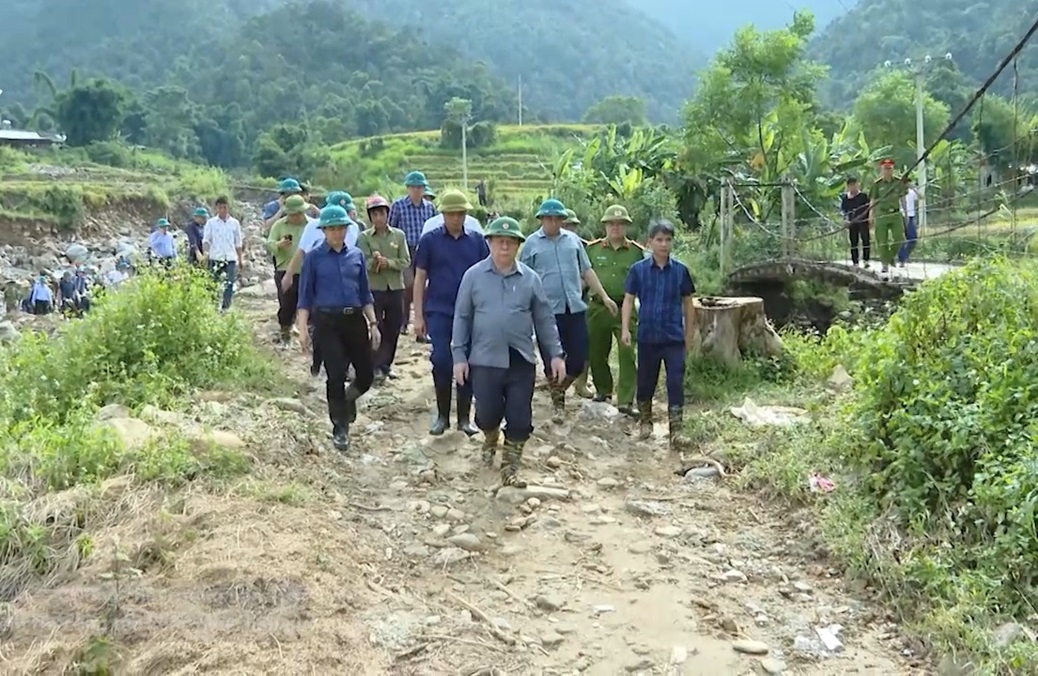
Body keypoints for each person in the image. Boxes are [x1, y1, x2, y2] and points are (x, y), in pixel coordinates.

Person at [452, 216, 566, 486]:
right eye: (499, 241)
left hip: (520, 359)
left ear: (518, 246)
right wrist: (459, 357)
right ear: (489, 243)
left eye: (511, 242)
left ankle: (510, 469)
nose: (505, 246)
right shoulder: (473, 276)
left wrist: (556, 355)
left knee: (519, 418)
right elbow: (462, 317)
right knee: (486, 415)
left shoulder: (530, 279)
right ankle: (490, 438)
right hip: (485, 358)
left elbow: (545, 319)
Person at [518, 198, 616, 424]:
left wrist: (604, 296)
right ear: (542, 219)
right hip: (547, 312)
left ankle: (558, 389)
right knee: (552, 358)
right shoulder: (531, 244)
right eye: (549, 218)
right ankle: (558, 405)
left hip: (574, 308)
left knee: (579, 359)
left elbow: (587, 270)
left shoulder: (573, 241)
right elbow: (523, 278)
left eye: (558, 219)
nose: (553, 223)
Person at [296, 205, 380, 452]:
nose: (337, 233)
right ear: (324, 231)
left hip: (354, 320)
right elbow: (305, 297)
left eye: (341, 228)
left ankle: (347, 399)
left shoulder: (355, 256)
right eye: (332, 229)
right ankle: (339, 427)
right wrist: (302, 329)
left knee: (365, 376)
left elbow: (365, 294)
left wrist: (373, 324)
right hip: (326, 322)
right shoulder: (313, 258)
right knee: (335, 373)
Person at [413, 188, 489, 436]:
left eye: (460, 213)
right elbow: (420, 278)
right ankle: (443, 416)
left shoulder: (477, 241)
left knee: (467, 361)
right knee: (442, 360)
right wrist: (418, 315)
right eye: (451, 214)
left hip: (472, 312)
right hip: (440, 310)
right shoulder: (430, 240)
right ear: (443, 214)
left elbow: (488, 275)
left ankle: (464, 419)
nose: (456, 218)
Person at [621, 219, 696, 450]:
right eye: (659, 240)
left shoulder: (681, 271)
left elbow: (688, 303)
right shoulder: (638, 270)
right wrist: (625, 328)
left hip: (674, 337)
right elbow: (629, 299)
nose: (664, 244)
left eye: (668, 240)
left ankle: (676, 430)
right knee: (645, 381)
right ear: (649, 242)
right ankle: (645, 421)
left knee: (675, 381)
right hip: (648, 336)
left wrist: (690, 334)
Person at [586, 205, 644, 416]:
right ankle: (603, 390)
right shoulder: (592, 250)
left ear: (626, 226)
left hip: (624, 308)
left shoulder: (636, 252)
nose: (616, 228)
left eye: (620, 224)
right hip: (598, 308)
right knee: (596, 351)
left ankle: (626, 400)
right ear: (605, 225)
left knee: (627, 352)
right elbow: (584, 276)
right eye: (612, 223)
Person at [356, 194, 410, 381]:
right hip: (374, 288)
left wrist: (389, 263)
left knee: (394, 327)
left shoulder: (399, 235)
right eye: (374, 214)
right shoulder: (364, 238)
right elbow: (362, 261)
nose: (378, 218)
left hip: (395, 287)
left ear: (387, 214)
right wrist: (375, 262)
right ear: (370, 217)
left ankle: (386, 365)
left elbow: (405, 261)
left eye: (381, 213)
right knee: (375, 326)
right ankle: (373, 365)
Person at [388, 171, 436, 338]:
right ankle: (404, 321)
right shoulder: (398, 206)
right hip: (405, 249)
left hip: (425, 249)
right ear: (408, 188)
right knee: (408, 287)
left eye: (420, 187)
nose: (416, 190)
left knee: (425, 288)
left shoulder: (430, 208)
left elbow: (434, 228)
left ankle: (423, 325)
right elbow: (391, 229)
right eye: (413, 187)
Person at [266, 194, 310, 342]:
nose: (296, 217)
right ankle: (285, 330)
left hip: (306, 270)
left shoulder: (311, 225)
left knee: (307, 303)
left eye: (299, 213)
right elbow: (269, 244)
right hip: (284, 270)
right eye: (293, 214)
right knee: (287, 303)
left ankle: (306, 332)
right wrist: (279, 245)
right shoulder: (279, 225)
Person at [561, 208, 593, 399]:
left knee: (583, 346)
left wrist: (576, 288)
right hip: (558, 304)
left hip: (580, 303)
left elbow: (588, 272)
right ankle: (559, 386)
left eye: (572, 225)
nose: (569, 229)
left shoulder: (582, 246)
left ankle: (581, 383)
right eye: (566, 225)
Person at [202, 196, 243, 311]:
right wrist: (205, 254)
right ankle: (212, 306)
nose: (222, 210)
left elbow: (238, 242)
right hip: (215, 257)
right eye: (220, 208)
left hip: (230, 257)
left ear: (228, 208)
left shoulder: (234, 223)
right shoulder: (211, 223)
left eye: (224, 207)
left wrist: (240, 259)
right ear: (216, 209)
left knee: (229, 283)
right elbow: (206, 240)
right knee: (212, 283)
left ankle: (225, 307)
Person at [869, 159, 908, 275]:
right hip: (882, 213)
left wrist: (905, 212)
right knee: (882, 240)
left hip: (895, 213)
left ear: (893, 169)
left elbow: (903, 198)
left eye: (889, 168)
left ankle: (890, 256)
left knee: (899, 238)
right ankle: (884, 264)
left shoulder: (898, 182)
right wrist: (871, 215)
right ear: (881, 169)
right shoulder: (877, 184)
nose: (887, 171)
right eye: (885, 168)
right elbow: (873, 200)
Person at [840, 177, 871, 268]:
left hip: (863, 221)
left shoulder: (863, 196)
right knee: (854, 241)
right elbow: (843, 210)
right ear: (848, 187)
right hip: (852, 222)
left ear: (857, 185)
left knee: (865, 240)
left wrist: (869, 219)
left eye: (854, 185)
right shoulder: (846, 198)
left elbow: (869, 208)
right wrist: (845, 219)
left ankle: (866, 260)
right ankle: (855, 261)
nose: (853, 187)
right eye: (850, 185)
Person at [898, 179, 919, 267]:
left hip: (911, 216)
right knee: (902, 239)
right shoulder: (899, 193)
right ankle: (901, 259)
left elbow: (921, 197)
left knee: (913, 239)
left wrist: (914, 188)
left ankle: (905, 256)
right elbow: (903, 203)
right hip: (902, 216)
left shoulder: (912, 192)